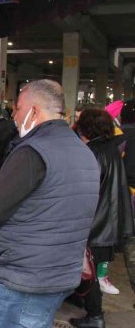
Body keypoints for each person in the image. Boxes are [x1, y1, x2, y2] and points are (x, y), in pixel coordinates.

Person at [0, 80, 100, 328]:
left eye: (18, 108)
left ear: (34, 111)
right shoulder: (83, 151)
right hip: (60, 272)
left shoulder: (33, 152)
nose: (15, 116)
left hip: (24, 278)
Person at [69, 108, 134, 328]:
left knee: (89, 272)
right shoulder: (109, 148)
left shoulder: (92, 152)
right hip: (108, 221)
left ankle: (95, 316)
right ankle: (82, 300)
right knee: (90, 270)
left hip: (96, 224)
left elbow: (86, 191)